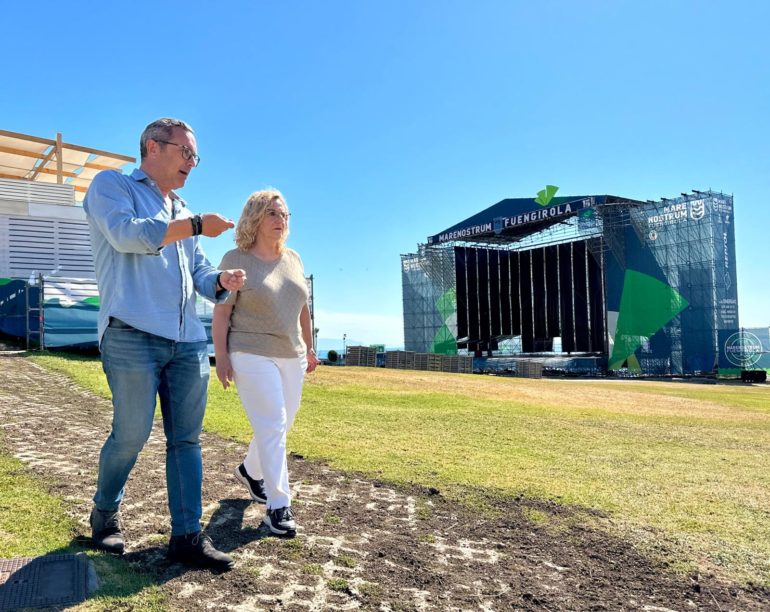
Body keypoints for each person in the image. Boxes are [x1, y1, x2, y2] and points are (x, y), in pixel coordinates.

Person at [84, 118, 246, 571]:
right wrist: (193, 224)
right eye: (186, 153)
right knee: (131, 434)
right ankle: (105, 512)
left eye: (196, 157)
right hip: (131, 333)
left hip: (187, 341)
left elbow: (199, 274)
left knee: (186, 441)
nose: (192, 163)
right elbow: (126, 235)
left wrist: (221, 281)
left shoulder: (182, 207)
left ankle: (187, 537)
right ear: (153, 147)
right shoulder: (111, 185)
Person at [212, 189, 319, 537]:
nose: (281, 220)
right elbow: (222, 313)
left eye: (285, 214)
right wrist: (222, 358)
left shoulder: (294, 259)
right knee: (272, 424)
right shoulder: (235, 258)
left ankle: (249, 469)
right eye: (273, 213)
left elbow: (302, 307)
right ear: (255, 218)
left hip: (293, 353)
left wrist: (311, 348)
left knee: (281, 426)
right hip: (249, 349)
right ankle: (278, 507)